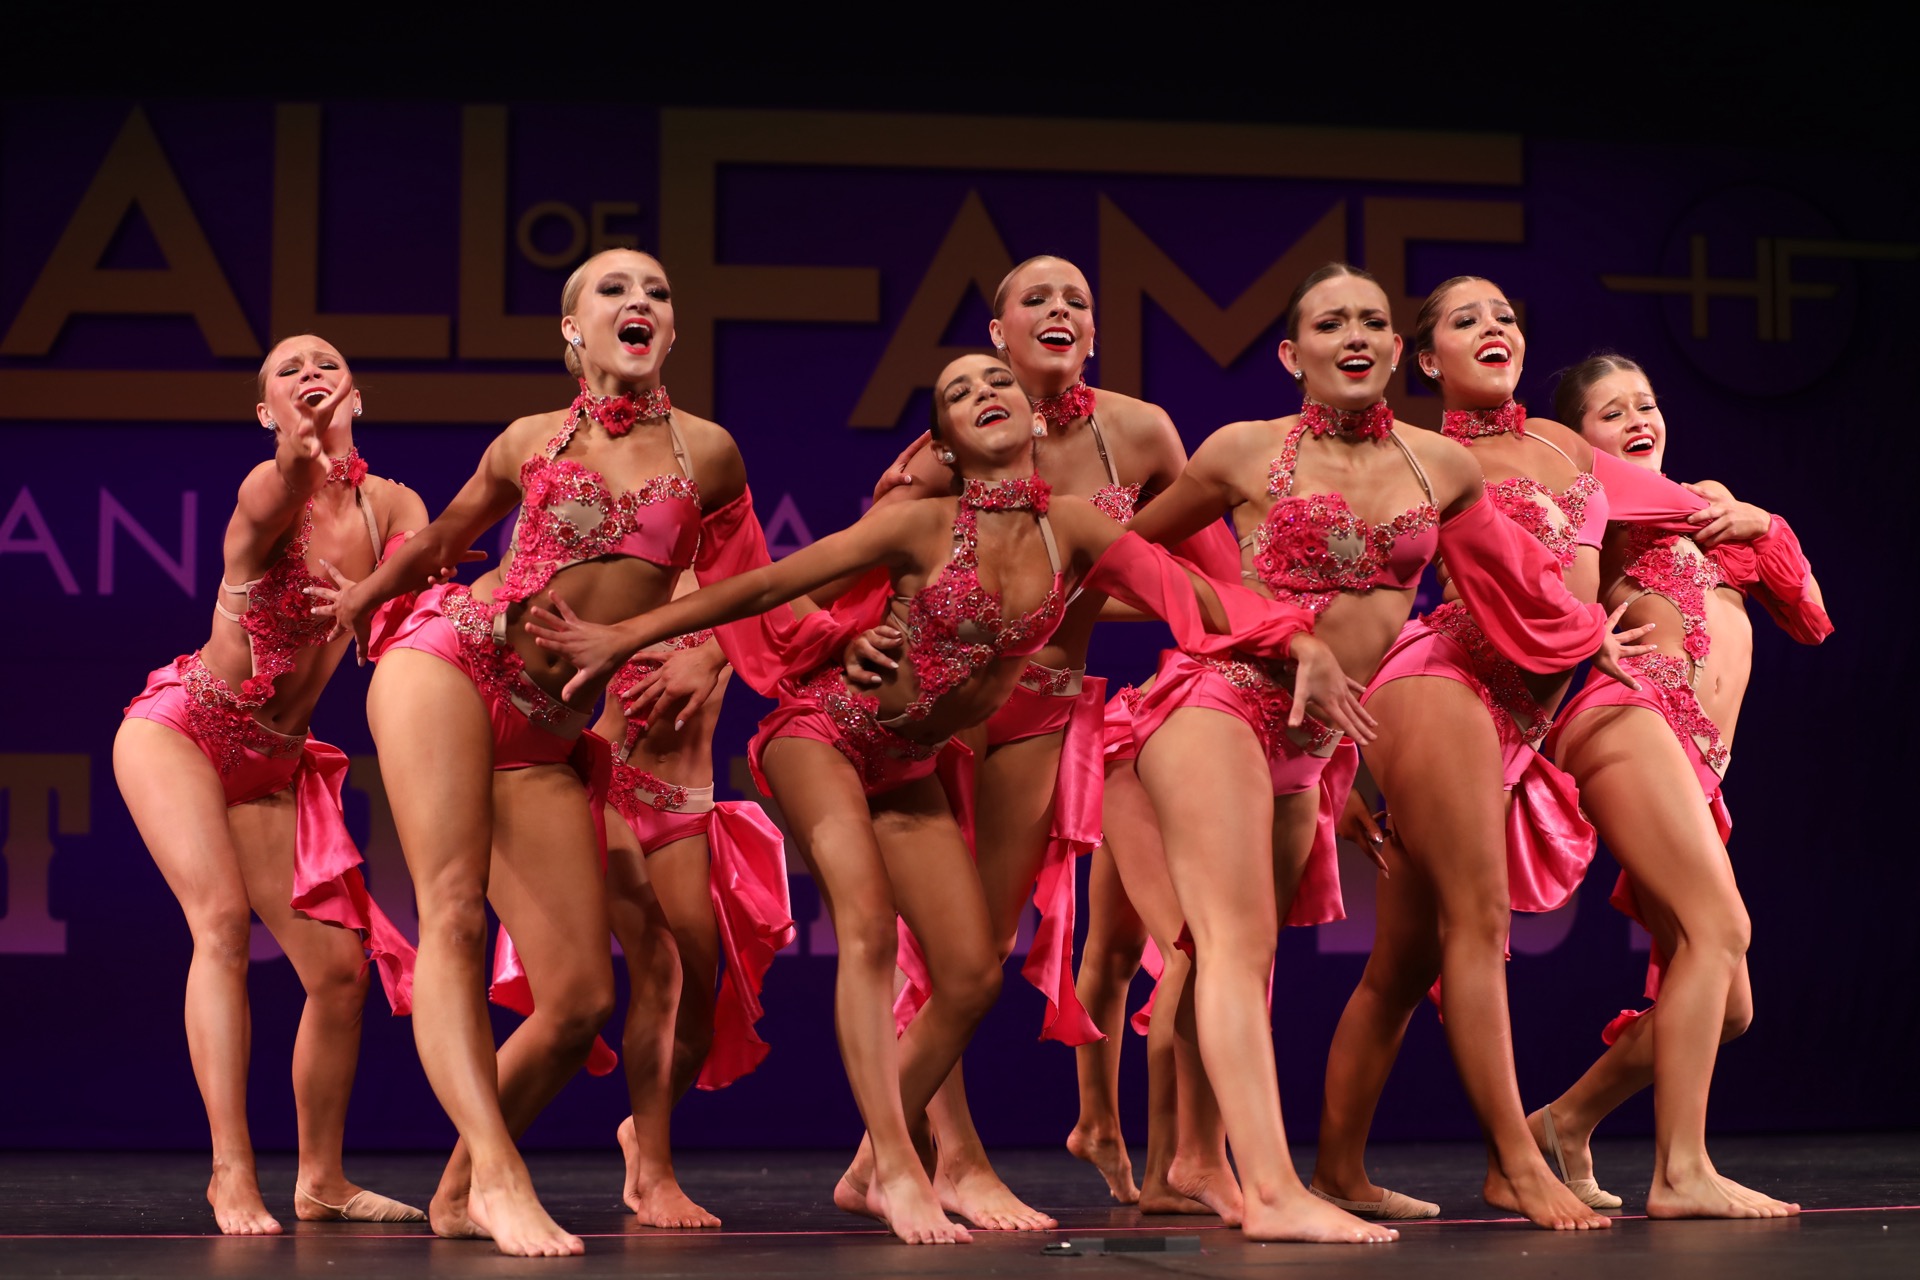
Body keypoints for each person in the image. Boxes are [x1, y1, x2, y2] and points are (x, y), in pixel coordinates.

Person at [524, 352, 1352, 1244]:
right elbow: (764, 587)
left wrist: (1295, 641)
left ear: (1031, 417)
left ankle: (868, 1168)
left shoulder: (1075, 528)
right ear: (945, 446)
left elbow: (1190, 593)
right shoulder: (919, 524)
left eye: (996, 383)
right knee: (869, 929)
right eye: (959, 393)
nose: (984, 394)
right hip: (822, 737)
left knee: (968, 976)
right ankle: (900, 1167)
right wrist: (624, 638)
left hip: (906, 764)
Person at [1116, 263, 1649, 1242]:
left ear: (1396, 351)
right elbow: (1123, 552)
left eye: (1370, 321)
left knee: (1228, 955)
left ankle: (1193, 1157)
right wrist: (1269, 628)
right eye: (1331, 324)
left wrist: (1587, 633)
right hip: (1220, 703)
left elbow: (1515, 577)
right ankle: (1273, 1189)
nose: (1354, 336)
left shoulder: (1439, 467)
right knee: (1236, 947)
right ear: (1293, 353)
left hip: (1313, 745)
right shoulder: (1243, 449)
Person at [312, 249, 748, 1257]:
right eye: (614, 290)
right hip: (453, 661)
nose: (639, 302)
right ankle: (504, 1177)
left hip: (548, 730)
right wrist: (366, 596)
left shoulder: (709, 454)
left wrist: (710, 649)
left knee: (579, 1000)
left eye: (656, 292)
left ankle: (461, 1190)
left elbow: (752, 590)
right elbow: (446, 540)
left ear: (671, 330)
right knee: (455, 913)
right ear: (571, 330)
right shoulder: (528, 437)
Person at [1309, 277, 1743, 1229]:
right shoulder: (1420, 457)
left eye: (1504, 315)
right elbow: (1348, 597)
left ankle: (1338, 1173)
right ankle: (1515, 1164)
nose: (1493, 327)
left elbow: (1687, 510)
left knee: (1402, 964)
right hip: (1445, 682)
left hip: (1527, 712)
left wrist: (1743, 512)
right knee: (1471, 927)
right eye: (1465, 321)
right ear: (1427, 361)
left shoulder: (1561, 445)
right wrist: (1335, 762)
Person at [851, 255, 1238, 1225]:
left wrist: (1282, 640)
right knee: (941, 951)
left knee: (979, 952)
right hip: (947, 709)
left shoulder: (1141, 433)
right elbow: (854, 571)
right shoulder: (947, 448)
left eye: (1077, 300)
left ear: (1093, 333)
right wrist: (848, 641)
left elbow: (1207, 580)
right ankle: (954, 1160)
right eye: (1036, 298)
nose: (1060, 309)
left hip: (1046, 708)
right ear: (999, 333)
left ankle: (875, 1159)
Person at [115, 335, 423, 1234]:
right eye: (288, 372)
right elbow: (284, 482)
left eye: (326, 365)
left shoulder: (393, 506)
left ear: (357, 395)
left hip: (274, 761)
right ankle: (231, 1172)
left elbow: (420, 606)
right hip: (181, 729)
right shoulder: (267, 489)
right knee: (218, 923)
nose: (309, 375)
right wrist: (301, 450)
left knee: (340, 974)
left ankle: (321, 1179)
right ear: (266, 413)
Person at [1527, 354, 1826, 1218]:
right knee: (1719, 929)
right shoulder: (1587, 501)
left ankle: (1563, 1122)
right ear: (1578, 438)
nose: (1637, 421)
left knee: (1727, 1006)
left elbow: (1809, 616)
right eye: (1612, 412)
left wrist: (1761, 520)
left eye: (1646, 404)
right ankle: (1680, 1172)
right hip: (1631, 720)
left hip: (1698, 768)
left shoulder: (1707, 506)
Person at [589, 579, 792, 1228]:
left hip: (683, 809)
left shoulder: (738, 579)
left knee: (698, 1023)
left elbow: (795, 619)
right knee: (649, 976)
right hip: (607, 788)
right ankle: (657, 1175)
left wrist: (714, 652)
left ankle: (639, 1133)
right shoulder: (625, 567)